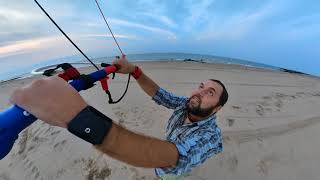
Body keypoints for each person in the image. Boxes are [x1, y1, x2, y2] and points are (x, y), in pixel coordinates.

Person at [10, 56, 228, 179]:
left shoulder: (210, 137)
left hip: (170, 168)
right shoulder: (186, 105)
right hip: (168, 151)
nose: (198, 93)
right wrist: (135, 71)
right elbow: (160, 94)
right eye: (200, 86)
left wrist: (78, 118)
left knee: (167, 174)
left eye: (210, 93)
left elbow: (172, 157)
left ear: (217, 109)